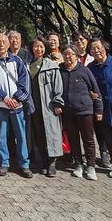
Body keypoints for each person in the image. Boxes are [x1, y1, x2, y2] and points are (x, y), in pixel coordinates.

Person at [0, 34, 32, 178]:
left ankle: (24, 164)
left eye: (3, 42)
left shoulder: (17, 61)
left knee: (21, 136)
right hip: (0, 105)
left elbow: (25, 81)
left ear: (8, 44)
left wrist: (17, 98)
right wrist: (4, 97)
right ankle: (4, 164)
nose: (1, 44)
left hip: (17, 106)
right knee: (1, 137)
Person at [60, 44, 102, 180]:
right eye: (65, 54)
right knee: (73, 139)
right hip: (68, 111)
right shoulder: (60, 70)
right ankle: (78, 164)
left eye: (71, 54)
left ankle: (91, 166)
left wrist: (99, 110)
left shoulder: (84, 70)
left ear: (77, 56)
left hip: (85, 110)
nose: (68, 56)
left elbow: (95, 91)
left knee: (88, 140)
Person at [28, 36, 64, 177]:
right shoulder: (28, 65)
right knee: (39, 135)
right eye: (36, 46)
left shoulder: (51, 65)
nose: (39, 49)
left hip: (48, 106)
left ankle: (51, 163)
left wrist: (57, 102)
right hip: (34, 107)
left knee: (52, 133)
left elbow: (58, 86)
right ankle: (43, 161)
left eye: (41, 46)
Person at [88, 39, 112, 178]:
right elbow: (88, 86)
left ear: (105, 48)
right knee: (109, 140)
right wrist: (89, 93)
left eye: (99, 47)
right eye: (93, 49)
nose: (96, 51)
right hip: (102, 111)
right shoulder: (90, 68)